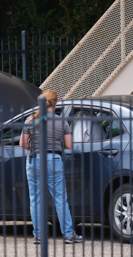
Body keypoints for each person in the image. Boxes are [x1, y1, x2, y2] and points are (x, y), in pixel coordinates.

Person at [19, 90, 83, 245]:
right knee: (60, 199)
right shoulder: (61, 121)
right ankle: (68, 235)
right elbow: (68, 145)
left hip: (34, 160)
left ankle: (39, 236)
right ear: (55, 103)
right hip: (54, 159)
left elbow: (23, 144)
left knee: (35, 199)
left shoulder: (30, 119)